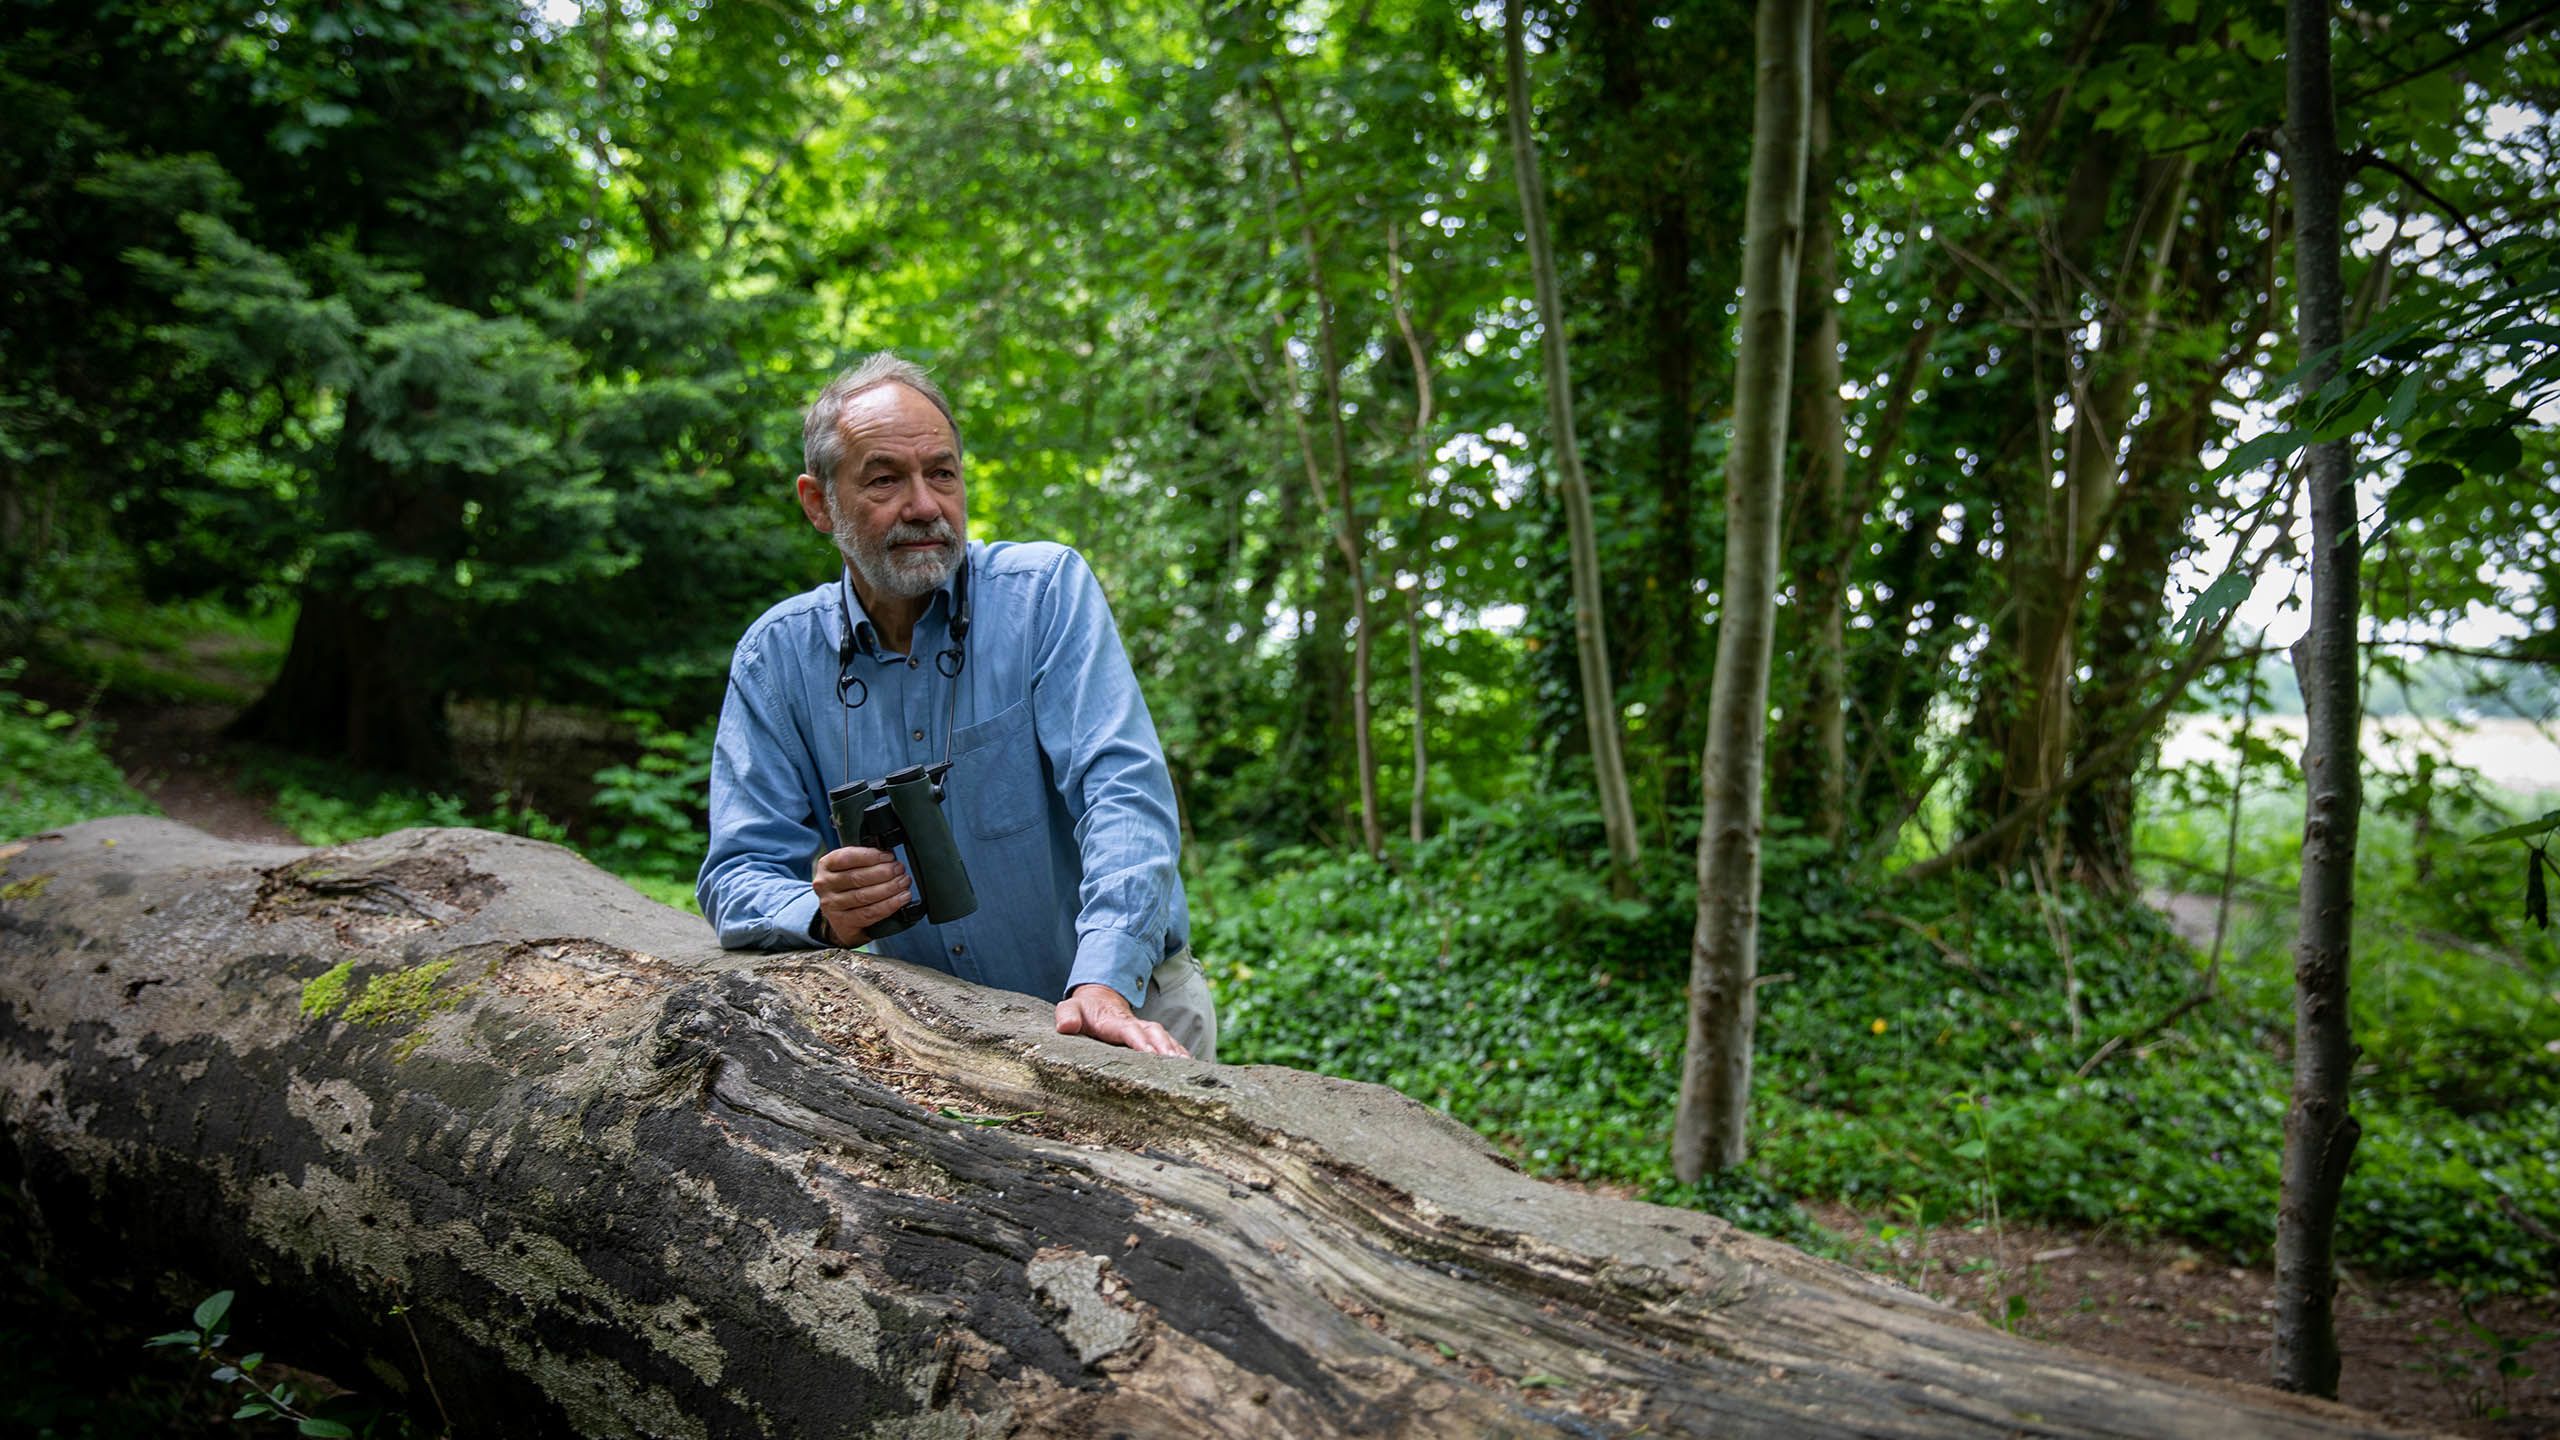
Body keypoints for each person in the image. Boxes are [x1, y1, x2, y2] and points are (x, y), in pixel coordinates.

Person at [697, 352, 1215, 1060]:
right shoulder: (777, 659)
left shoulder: (1043, 594)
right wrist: (821, 914)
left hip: (1124, 1009)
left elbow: (1123, 794)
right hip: (936, 1040)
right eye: (885, 479)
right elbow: (737, 873)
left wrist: (1104, 979)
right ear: (819, 503)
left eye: (941, 473)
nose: (924, 505)